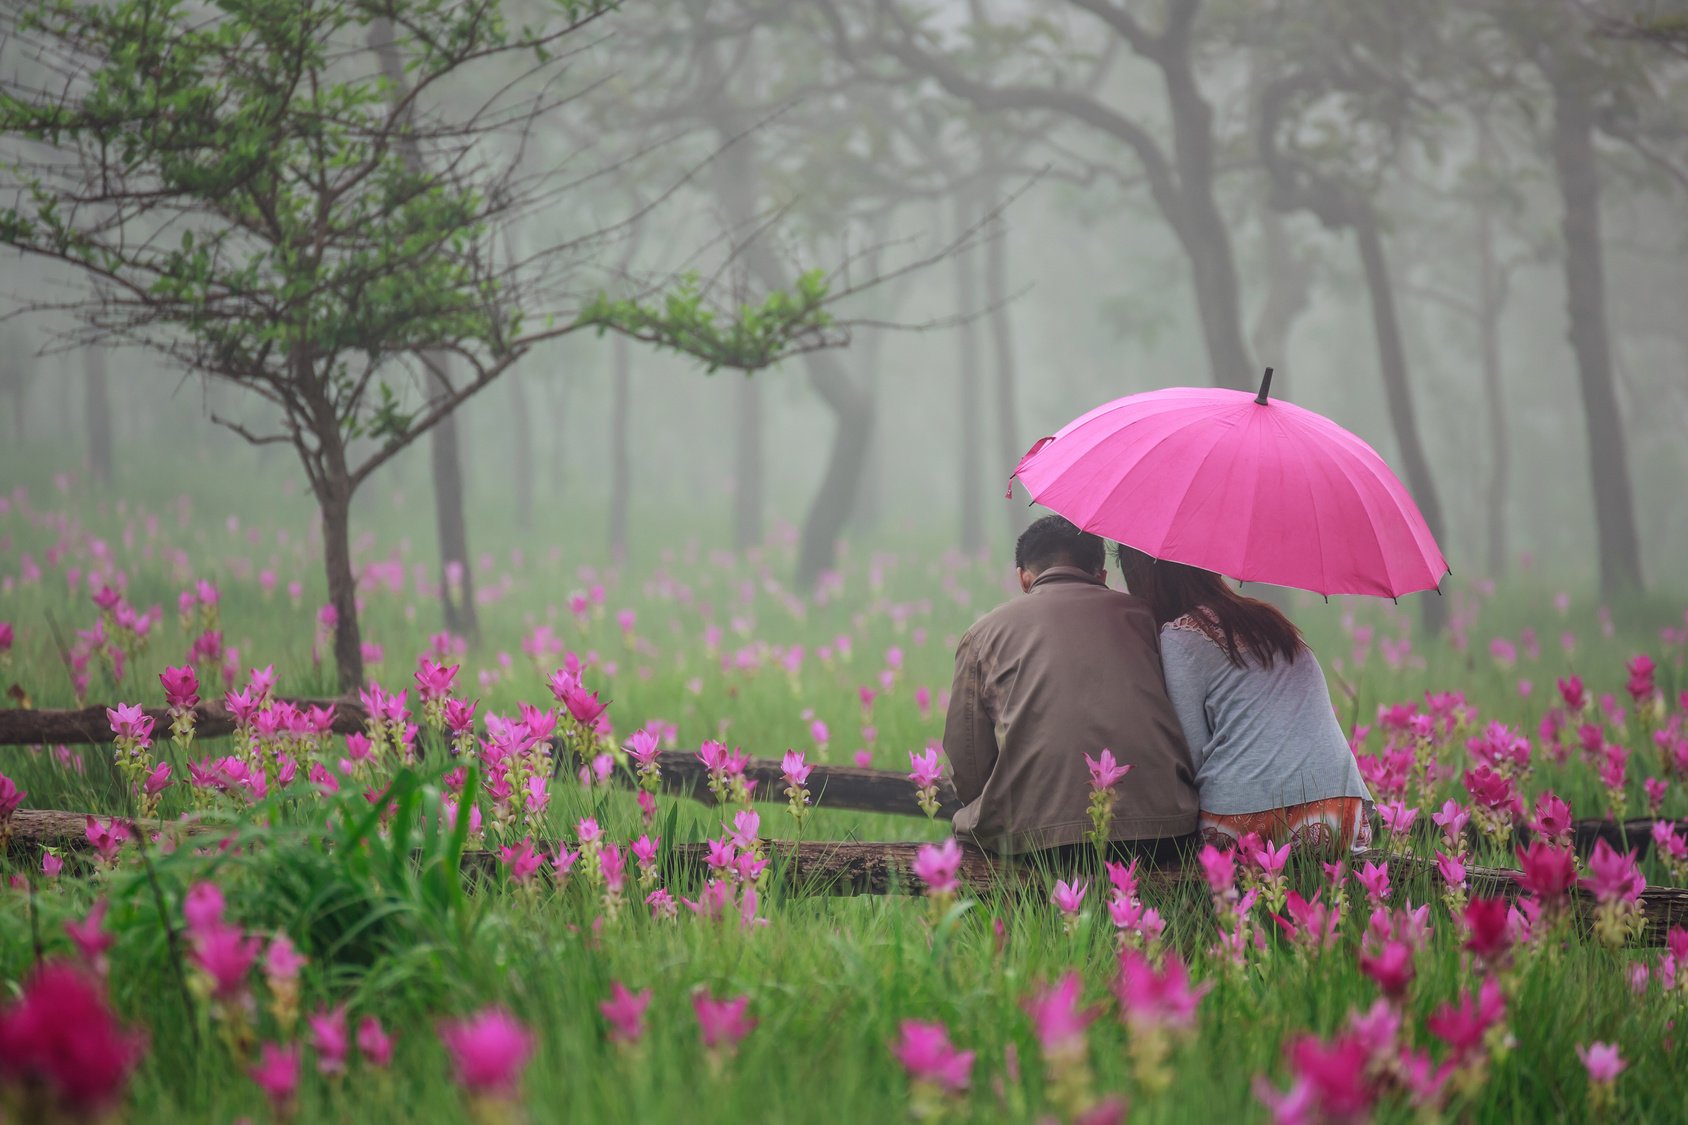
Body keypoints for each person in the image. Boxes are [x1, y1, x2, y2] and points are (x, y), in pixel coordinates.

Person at [941, 515, 1199, 859]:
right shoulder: (1149, 619)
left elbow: (968, 761)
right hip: (1165, 831)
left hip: (1035, 841)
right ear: (1101, 576)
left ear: (1023, 578)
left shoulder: (983, 635)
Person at [1112, 544, 1372, 852]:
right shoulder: (1270, 621)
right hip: (1340, 812)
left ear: (1147, 581)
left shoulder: (1180, 637)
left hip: (1245, 821)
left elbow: (1188, 756)